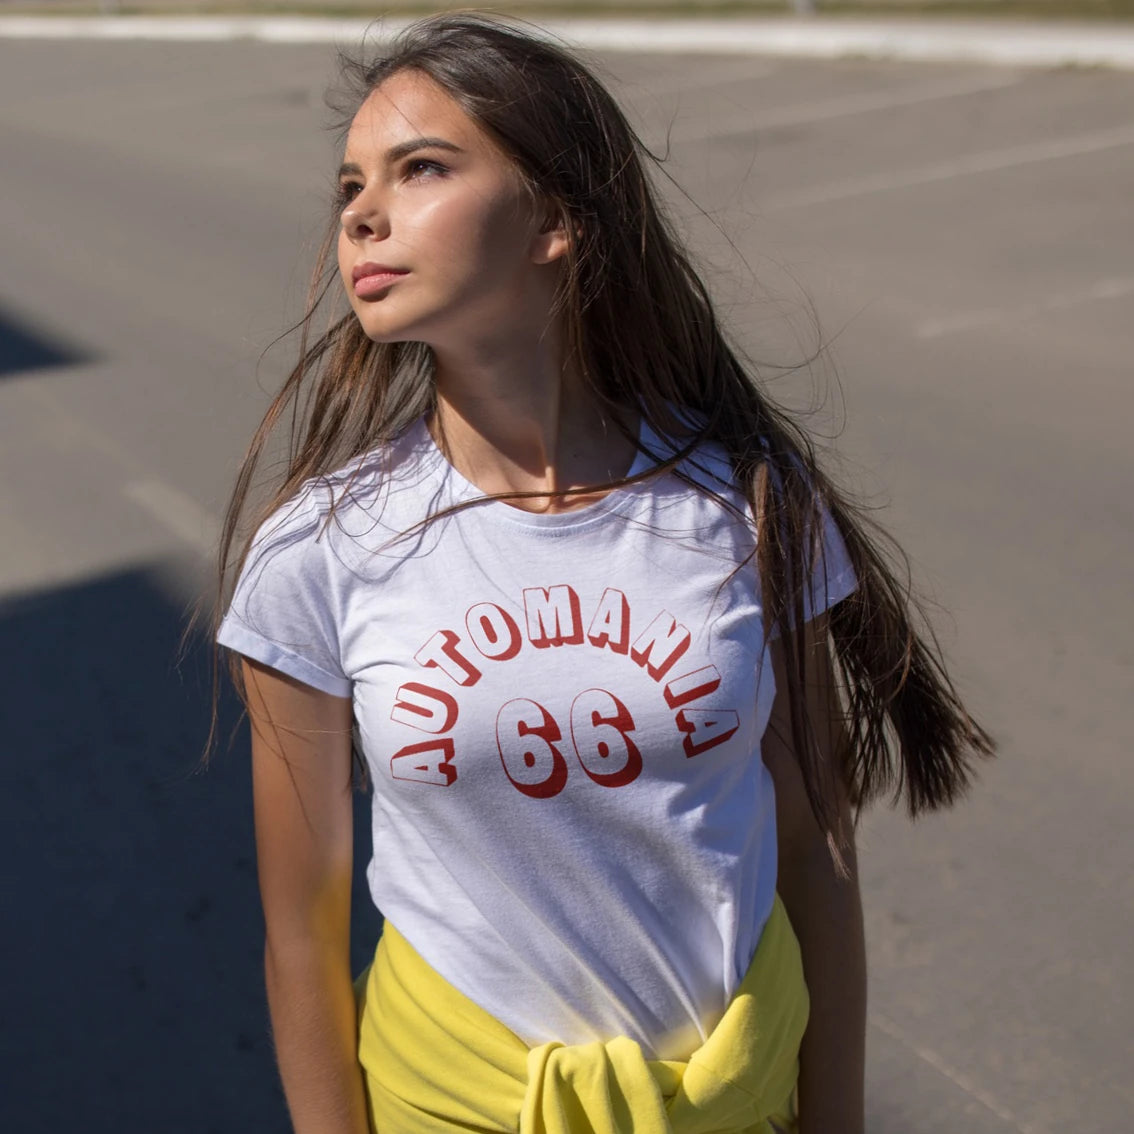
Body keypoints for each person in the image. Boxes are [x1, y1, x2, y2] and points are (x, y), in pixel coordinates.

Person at [212, 13, 993, 1134]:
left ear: (558, 220)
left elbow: (819, 858)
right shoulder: (319, 552)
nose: (362, 215)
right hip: (455, 1107)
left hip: (733, 1099)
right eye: (349, 186)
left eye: (421, 168)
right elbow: (301, 931)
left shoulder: (748, 506)